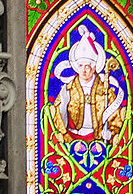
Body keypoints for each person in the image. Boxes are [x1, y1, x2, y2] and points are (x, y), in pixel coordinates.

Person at [47, 24, 127, 153]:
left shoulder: (105, 90)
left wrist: (112, 132)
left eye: (88, 66)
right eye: (80, 65)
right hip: (71, 140)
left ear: (95, 66)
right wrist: (63, 134)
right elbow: (57, 114)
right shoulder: (67, 89)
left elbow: (115, 115)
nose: (84, 70)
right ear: (75, 66)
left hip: (99, 143)